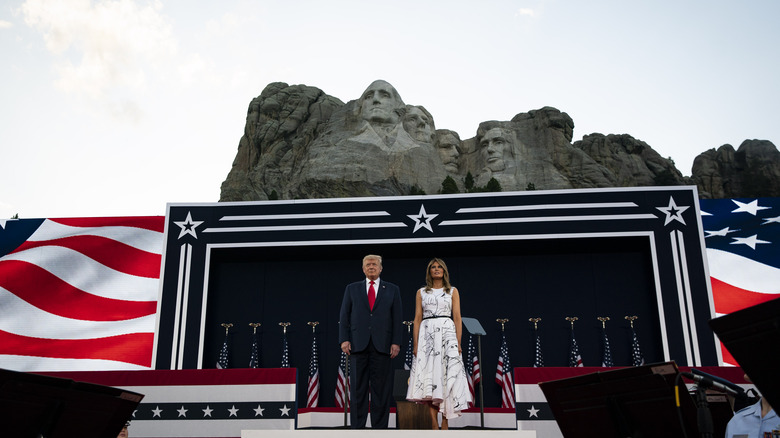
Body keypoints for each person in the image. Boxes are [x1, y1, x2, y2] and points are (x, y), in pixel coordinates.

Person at [339, 254, 403, 428]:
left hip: (383, 346)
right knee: (358, 390)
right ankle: (357, 428)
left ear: (381, 268)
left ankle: (379, 429)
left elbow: (397, 319)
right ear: (363, 268)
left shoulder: (392, 289)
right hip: (357, 345)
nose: (371, 267)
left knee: (381, 391)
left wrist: (396, 342)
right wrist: (344, 339)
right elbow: (344, 316)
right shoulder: (351, 289)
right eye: (368, 264)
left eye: (374, 264)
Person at [406, 258, 471, 429]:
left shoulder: (453, 291)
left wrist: (458, 342)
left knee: (446, 377)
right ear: (429, 272)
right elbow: (417, 318)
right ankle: (434, 422)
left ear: (444, 271)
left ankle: (445, 420)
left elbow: (457, 318)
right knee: (430, 378)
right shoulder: (421, 292)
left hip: (447, 334)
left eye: (439, 267)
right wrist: (415, 344)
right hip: (427, 336)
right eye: (433, 267)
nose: (436, 269)